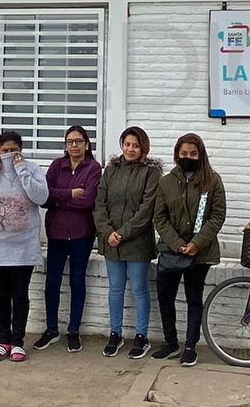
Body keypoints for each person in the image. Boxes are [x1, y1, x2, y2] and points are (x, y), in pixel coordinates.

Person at [0, 131, 49, 362]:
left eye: (13, 150)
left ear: (21, 150)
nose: (8, 154)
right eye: (4, 150)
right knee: (1, 295)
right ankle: (3, 341)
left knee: (20, 294)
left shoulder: (32, 169)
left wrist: (22, 169)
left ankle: (17, 342)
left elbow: (41, 197)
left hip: (23, 247)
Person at [152, 133, 228, 367]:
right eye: (184, 153)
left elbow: (217, 216)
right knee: (165, 296)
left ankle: (190, 346)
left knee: (194, 298)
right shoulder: (166, 182)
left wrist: (197, 243)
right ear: (177, 154)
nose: (188, 157)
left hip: (201, 251)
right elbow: (160, 217)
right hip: (171, 248)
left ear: (201, 155)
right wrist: (177, 244)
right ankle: (170, 342)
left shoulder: (212, 181)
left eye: (193, 154)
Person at [93, 126, 162, 359]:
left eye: (136, 145)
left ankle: (141, 336)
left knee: (140, 289)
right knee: (115, 289)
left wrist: (123, 233)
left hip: (137, 242)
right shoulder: (111, 170)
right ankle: (115, 333)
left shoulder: (151, 173)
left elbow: (147, 208)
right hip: (112, 242)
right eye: (127, 144)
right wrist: (108, 232)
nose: (131, 149)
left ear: (143, 147)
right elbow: (99, 203)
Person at [34, 126, 102, 353]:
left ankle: (74, 330)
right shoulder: (56, 166)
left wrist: (59, 197)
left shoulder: (93, 168)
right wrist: (71, 193)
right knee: (52, 282)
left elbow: (88, 201)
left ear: (86, 144)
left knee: (77, 280)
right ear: (65, 145)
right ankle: (51, 329)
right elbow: (44, 197)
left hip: (82, 234)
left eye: (79, 141)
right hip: (56, 234)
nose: (74, 145)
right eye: (70, 141)